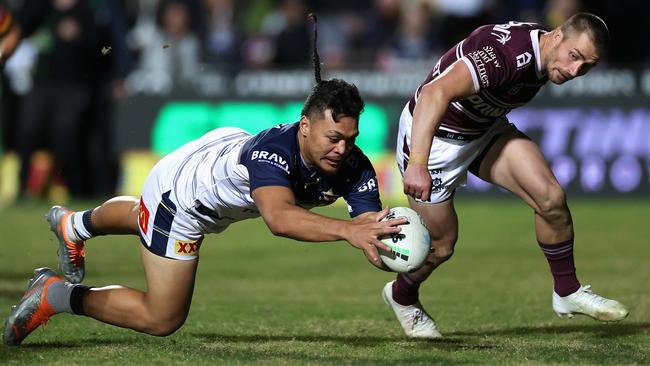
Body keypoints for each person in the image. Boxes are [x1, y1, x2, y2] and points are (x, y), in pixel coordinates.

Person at [3, 15, 405, 346]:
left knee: (146, 216)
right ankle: (55, 295)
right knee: (162, 317)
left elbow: (367, 227)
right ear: (304, 126)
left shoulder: (354, 165)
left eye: (349, 140)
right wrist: (347, 230)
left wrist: (394, 248)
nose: (342, 149)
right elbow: (280, 219)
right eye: (332, 138)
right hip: (183, 197)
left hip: (215, 155)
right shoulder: (273, 154)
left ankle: (75, 225)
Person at [383, 13, 629, 338]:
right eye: (574, 57)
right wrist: (418, 163)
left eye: (586, 66)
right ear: (556, 36)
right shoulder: (508, 58)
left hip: (483, 129)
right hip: (436, 138)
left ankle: (567, 291)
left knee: (551, 199)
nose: (574, 71)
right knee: (441, 245)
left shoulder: (542, 56)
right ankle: (401, 296)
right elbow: (433, 93)